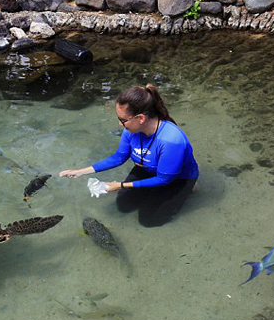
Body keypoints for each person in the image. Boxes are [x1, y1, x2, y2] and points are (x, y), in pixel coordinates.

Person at [59, 83, 199, 227]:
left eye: (123, 120)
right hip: (148, 168)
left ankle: (188, 190)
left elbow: (164, 179)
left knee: (149, 220)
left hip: (176, 179)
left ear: (141, 118)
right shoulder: (130, 130)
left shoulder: (171, 140)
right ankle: (152, 192)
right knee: (124, 206)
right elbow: (119, 157)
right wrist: (81, 172)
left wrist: (120, 185)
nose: (120, 124)